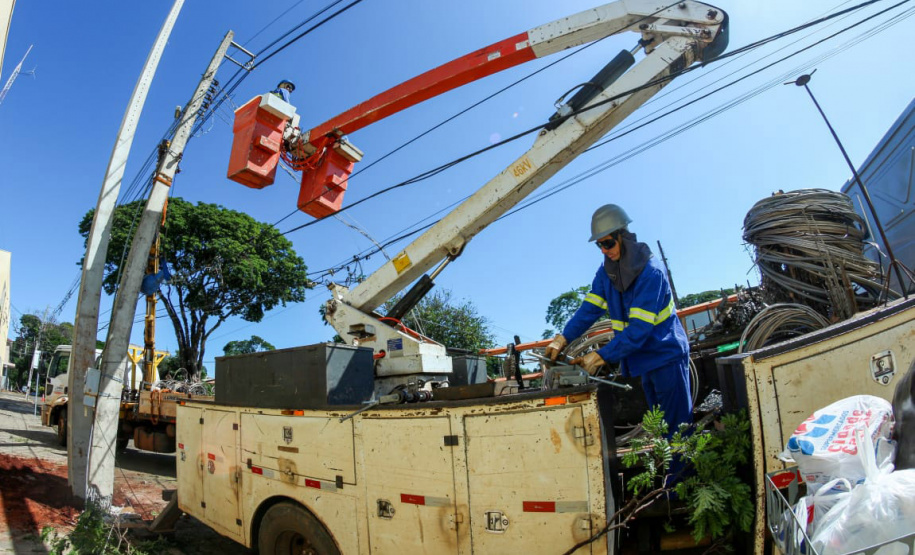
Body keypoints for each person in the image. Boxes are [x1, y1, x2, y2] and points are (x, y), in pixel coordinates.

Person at [545, 204, 692, 440]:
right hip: (643, 359)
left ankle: (683, 476)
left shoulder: (650, 272)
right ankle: (673, 475)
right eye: (599, 245)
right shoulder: (607, 273)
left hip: (666, 356)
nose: (604, 250)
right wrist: (563, 338)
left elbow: (639, 330)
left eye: (608, 243)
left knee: (678, 429)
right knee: (661, 429)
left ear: (623, 236)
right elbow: (589, 309)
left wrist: (600, 356)